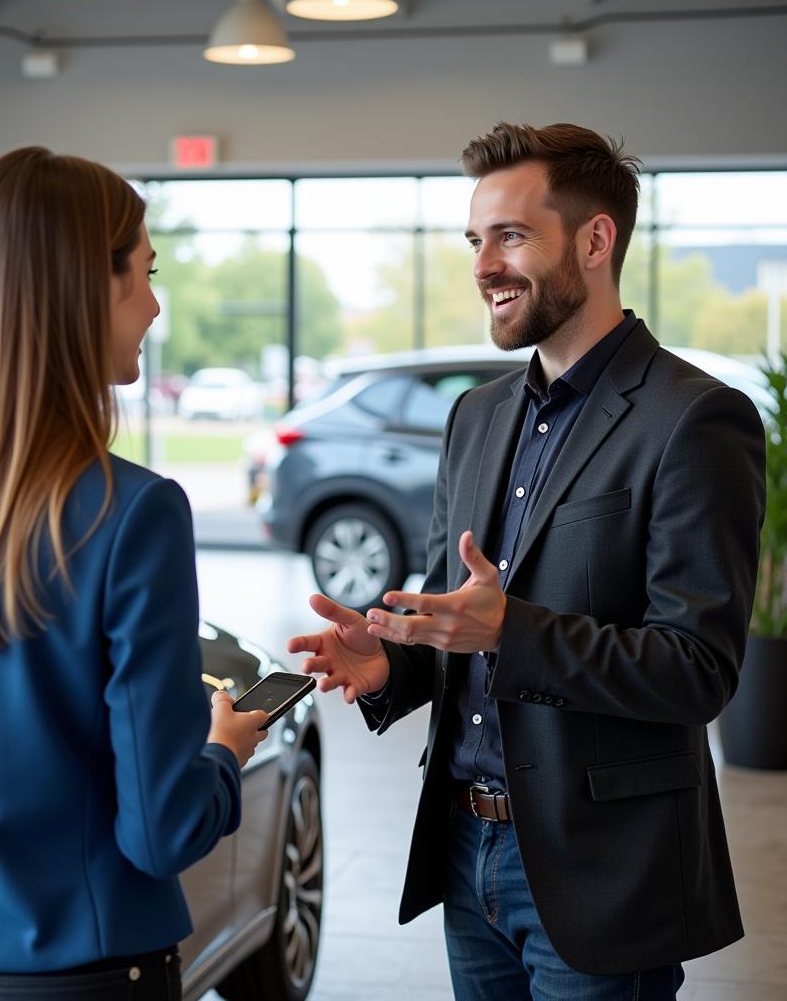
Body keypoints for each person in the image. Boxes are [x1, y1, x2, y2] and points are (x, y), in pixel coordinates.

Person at [288, 122, 765, 1001]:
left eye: (511, 236)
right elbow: (453, 618)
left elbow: (700, 671)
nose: (483, 266)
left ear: (595, 240)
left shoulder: (696, 420)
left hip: (602, 871)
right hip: (466, 854)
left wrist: (514, 631)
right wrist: (390, 659)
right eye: (476, 240)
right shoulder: (476, 416)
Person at [0, 146, 269, 1001]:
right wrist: (221, 756)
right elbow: (162, 831)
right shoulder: (134, 512)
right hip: (81, 974)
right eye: (141, 276)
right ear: (77, 291)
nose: (153, 306)